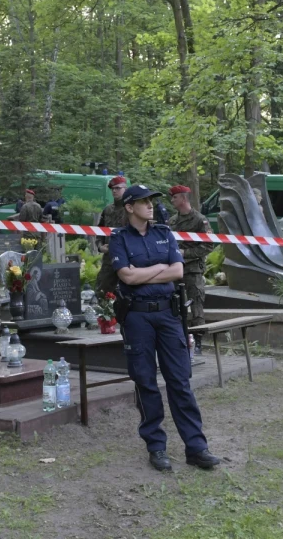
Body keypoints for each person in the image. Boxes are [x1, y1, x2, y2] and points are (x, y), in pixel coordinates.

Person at [109, 184, 221, 473]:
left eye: (151, 201)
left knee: (180, 380)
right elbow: (126, 277)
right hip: (137, 317)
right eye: (144, 201)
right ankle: (156, 447)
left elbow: (178, 270)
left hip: (168, 316)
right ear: (130, 207)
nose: (150, 205)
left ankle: (196, 448)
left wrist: (144, 273)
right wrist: (160, 269)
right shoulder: (119, 238)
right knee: (146, 381)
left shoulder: (164, 233)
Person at [167, 185, 212, 330]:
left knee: (196, 304)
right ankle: (178, 335)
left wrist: (185, 253)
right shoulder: (172, 221)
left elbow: (207, 246)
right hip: (175, 268)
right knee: (174, 303)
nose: (172, 200)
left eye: (175, 197)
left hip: (193, 269)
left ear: (184, 198)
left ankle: (198, 339)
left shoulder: (200, 220)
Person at [95, 176, 129, 295]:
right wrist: (100, 247)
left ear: (126, 189)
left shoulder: (131, 209)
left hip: (128, 259)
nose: (114, 191)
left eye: (118, 188)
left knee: (127, 294)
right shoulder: (108, 210)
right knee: (102, 291)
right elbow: (99, 232)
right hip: (109, 259)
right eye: (112, 189)